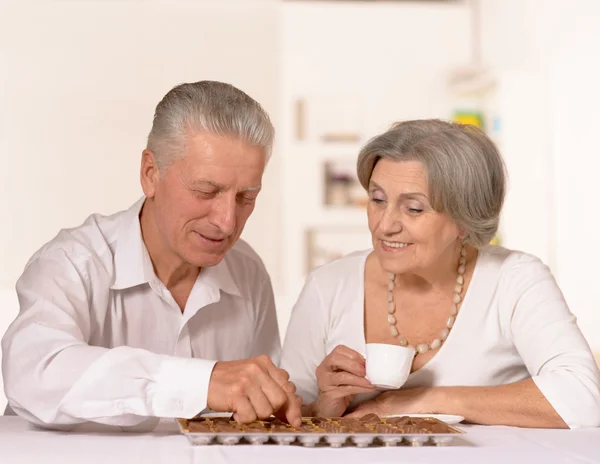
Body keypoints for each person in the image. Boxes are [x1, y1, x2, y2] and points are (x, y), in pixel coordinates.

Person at [2, 80, 301, 430]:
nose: (227, 221)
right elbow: (33, 373)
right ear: (150, 174)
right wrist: (203, 382)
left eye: (246, 197)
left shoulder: (248, 271)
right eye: (206, 190)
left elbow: (260, 408)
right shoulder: (72, 262)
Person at [281, 119, 600, 428]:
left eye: (414, 208)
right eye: (377, 199)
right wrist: (323, 406)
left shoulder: (515, 279)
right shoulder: (328, 285)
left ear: (464, 219)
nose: (384, 225)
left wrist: (426, 401)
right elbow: (284, 415)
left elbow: (582, 399)